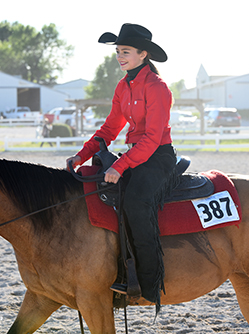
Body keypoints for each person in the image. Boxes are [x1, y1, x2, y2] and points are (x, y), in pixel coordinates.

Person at [66, 23, 177, 310]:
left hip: (157, 158)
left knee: (136, 204)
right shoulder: (122, 86)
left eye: (125, 52)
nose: (119, 57)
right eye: (117, 52)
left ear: (143, 54)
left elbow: (153, 138)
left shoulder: (158, 87)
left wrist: (121, 166)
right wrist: (81, 155)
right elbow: (109, 128)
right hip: (135, 156)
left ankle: (149, 285)